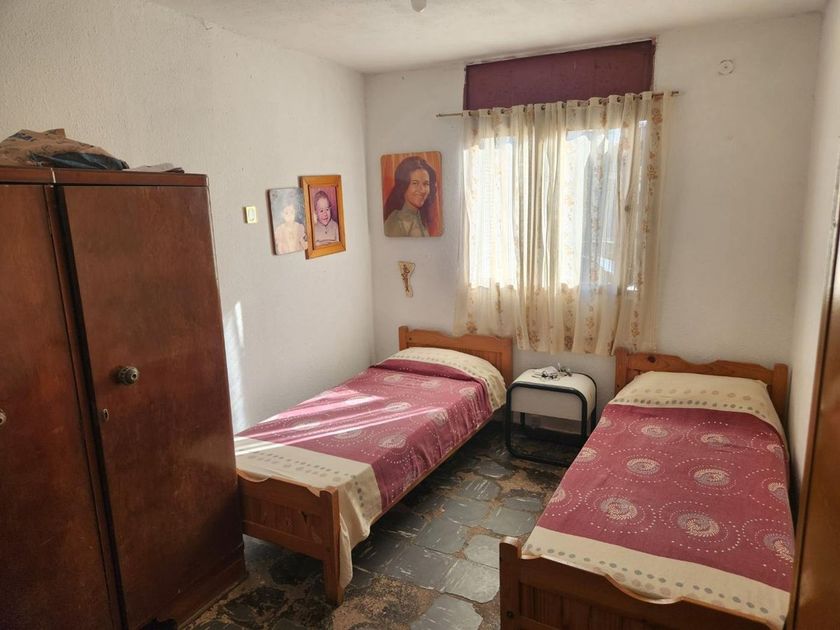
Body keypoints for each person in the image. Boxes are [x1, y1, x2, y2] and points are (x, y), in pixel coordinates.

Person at [383, 156, 437, 237]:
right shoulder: (397, 222)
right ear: (403, 186)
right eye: (415, 183)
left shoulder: (420, 217)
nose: (422, 190)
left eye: (426, 184)